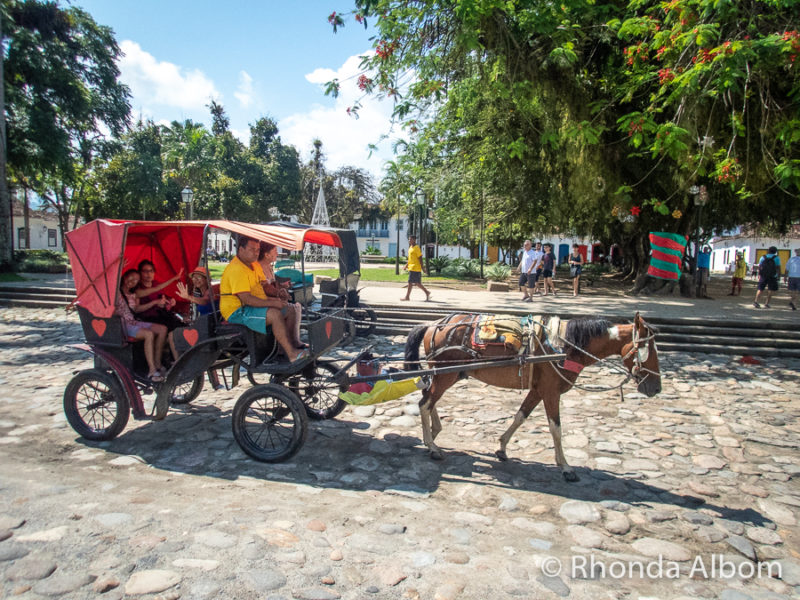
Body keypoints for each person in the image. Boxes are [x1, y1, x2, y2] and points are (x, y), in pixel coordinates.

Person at [220, 235, 307, 365]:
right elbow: (247, 299)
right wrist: (273, 303)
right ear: (241, 249)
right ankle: (291, 354)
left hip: (251, 306)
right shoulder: (236, 269)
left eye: (258, 249)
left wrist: (278, 293)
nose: (256, 253)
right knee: (275, 314)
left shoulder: (254, 264)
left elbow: (265, 286)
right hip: (237, 311)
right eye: (252, 249)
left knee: (290, 309)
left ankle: (291, 346)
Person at [116, 269, 168, 382]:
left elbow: (137, 309)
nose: (133, 281)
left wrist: (155, 302)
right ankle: (152, 370)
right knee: (148, 334)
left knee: (162, 329)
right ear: (124, 277)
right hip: (121, 324)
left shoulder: (133, 294)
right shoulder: (116, 292)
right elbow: (112, 282)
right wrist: (118, 270)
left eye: (136, 280)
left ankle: (157, 362)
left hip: (133, 322)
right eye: (131, 277)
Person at [258, 241, 304, 348]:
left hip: (272, 300)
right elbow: (263, 289)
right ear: (266, 254)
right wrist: (278, 293)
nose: (277, 254)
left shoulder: (269, 267)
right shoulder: (258, 267)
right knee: (292, 309)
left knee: (297, 307)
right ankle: (285, 346)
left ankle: (294, 341)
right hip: (265, 302)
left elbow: (273, 286)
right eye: (275, 251)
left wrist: (282, 287)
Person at [135, 260, 185, 330]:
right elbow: (136, 309)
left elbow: (162, 296)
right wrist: (154, 303)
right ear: (140, 273)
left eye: (151, 271)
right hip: (148, 318)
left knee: (181, 326)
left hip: (162, 314)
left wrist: (170, 300)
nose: (149, 274)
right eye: (145, 271)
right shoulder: (138, 288)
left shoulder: (155, 283)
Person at [401, 235, 431, 302]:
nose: (409, 240)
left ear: (414, 240)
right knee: (417, 283)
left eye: (411, 239)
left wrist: (423, 268)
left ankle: (407, 297)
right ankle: (427, 292)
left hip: (416, 268)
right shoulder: (410, 248)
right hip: (411, 268)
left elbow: (420, 258)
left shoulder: (416, 248)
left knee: (410, 282)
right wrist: (406, 265)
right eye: (409, 239)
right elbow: (410, 259)